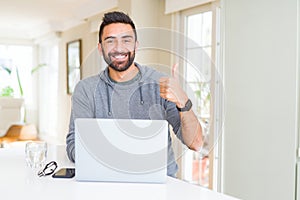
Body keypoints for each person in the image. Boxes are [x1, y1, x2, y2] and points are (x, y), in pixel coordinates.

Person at [66, 11, 203, 177]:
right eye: (110, 41)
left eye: (126, 40)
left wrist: (183, 101)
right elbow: (74, 146)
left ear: (136, 45)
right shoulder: (86, 89)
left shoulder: (161, 84)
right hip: (105, 181)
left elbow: (196, 143)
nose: (119, 48)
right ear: (100, 48)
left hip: (160, 186)